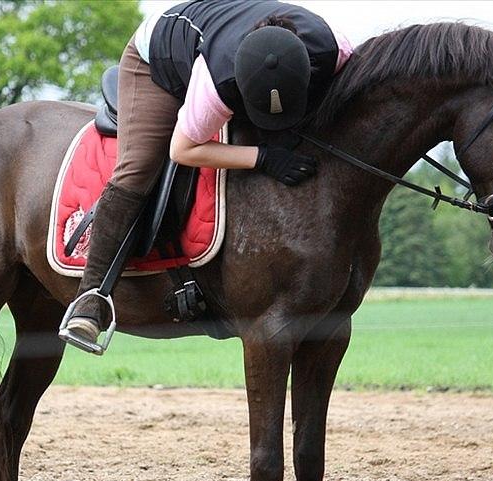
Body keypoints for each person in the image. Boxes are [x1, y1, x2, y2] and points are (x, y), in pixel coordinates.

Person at [59, 0, 353, 353]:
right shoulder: (217, 79)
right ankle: (91, 299)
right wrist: (261, 157)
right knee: (137, 168)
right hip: (158, 55)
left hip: (236, 47)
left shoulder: (335, 50)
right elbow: (183, 150)